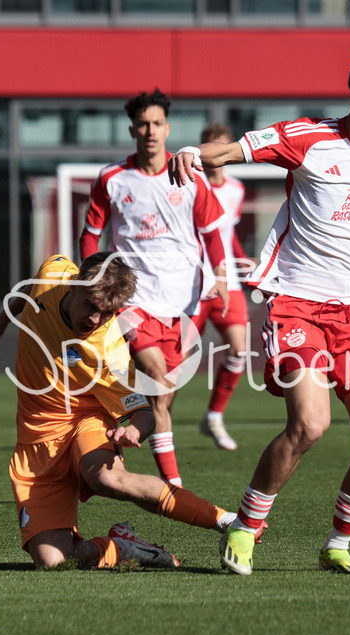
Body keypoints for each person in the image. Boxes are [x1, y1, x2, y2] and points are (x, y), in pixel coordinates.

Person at [169, 41, 350, 575]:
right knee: (310, 425)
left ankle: (338, 545)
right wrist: (192, 154)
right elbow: (232, 151)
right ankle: (246, 529)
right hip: (299, 306)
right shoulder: (308, 138)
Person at [0, 252, 241, 569]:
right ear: (74, 287)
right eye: (91, 307)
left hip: (87, 422)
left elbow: (146, 412)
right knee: (53, 562)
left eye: (107, 313)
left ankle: (226, 521)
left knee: (107, 478)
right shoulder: (53, 273)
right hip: (37, 440)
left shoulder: (109, 350)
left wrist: (133, 430)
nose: (96, 319)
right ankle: (125, 546)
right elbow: (31, 290)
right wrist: (5, 316)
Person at [79, 89, 229, 487]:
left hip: (184, 303)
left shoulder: (192, 179)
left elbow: (212, 233)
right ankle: (174, 487)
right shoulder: (113, 179)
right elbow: (90, 235)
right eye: (143, 123)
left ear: (167, 128)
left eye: (157, 123)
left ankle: (133, 425)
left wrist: (223, 277)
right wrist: (92, 283)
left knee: (163, 396)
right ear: (132, 129)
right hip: (135, 300)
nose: (150, 130)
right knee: (158, 376)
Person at [192, 123, 255, 452]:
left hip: (227, 282)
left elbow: (224, 232)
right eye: (210, 148)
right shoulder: (191, 185)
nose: (216, 155)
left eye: (223, 148)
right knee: (175, 359)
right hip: (192, 284)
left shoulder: (235, 189)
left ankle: (214, 416)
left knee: (239, 349)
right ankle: (155, 420)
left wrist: (245, 263)